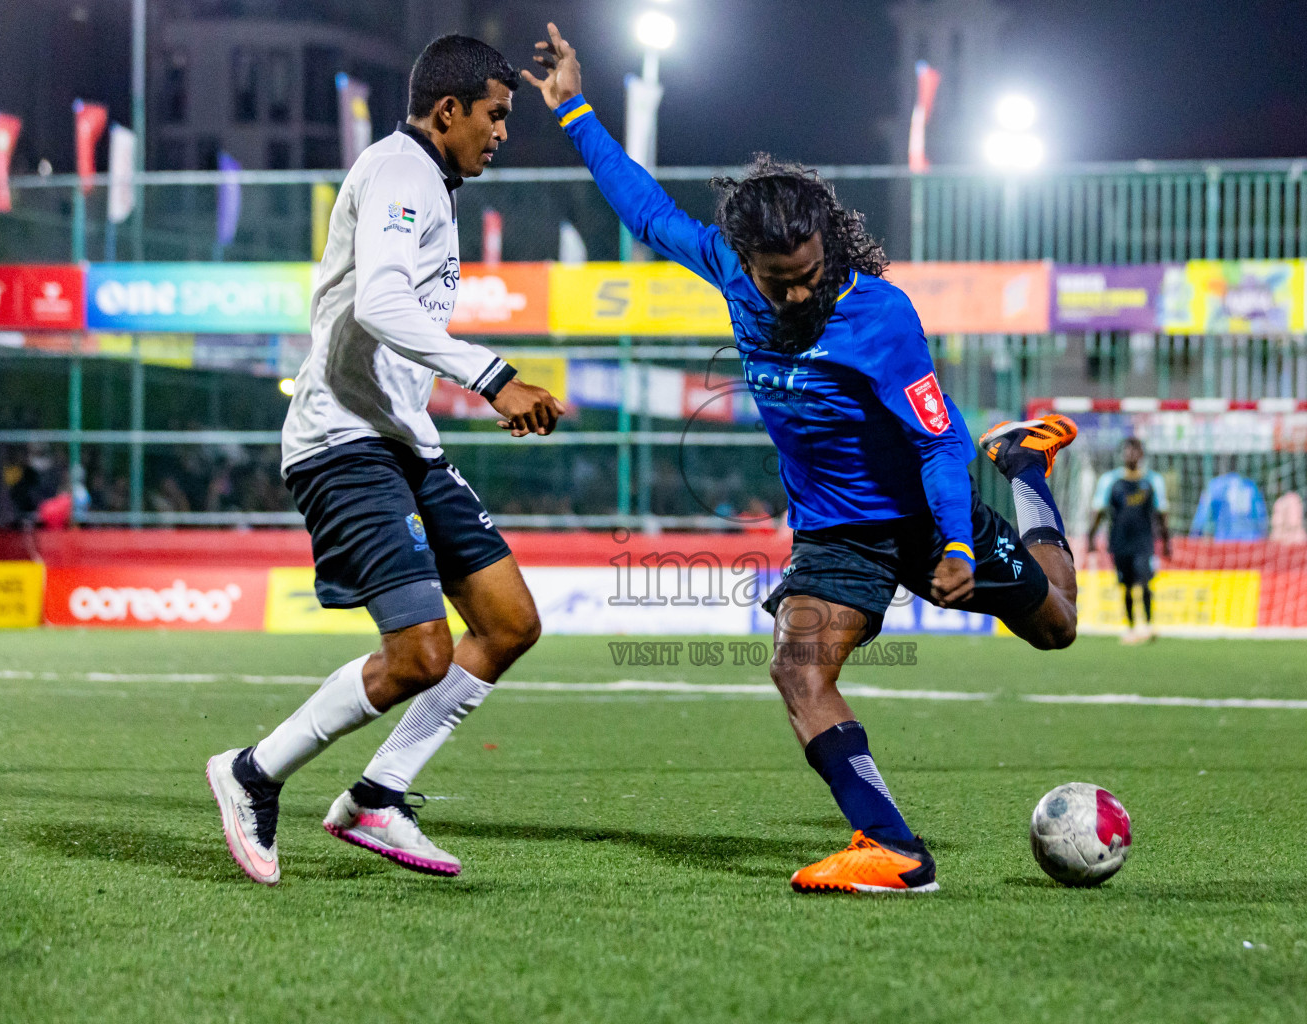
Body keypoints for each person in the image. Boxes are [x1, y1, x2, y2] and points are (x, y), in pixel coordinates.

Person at [521, 24, 1079, 895]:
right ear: (745, 261)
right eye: (779, 278)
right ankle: (892, 847)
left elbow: (938, 439)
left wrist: (960, 543)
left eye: (810, 273)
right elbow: (644, 209)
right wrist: (576, 111)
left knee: (1059, 628)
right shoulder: (730, 270)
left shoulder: (880, 316)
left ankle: (1030, 475)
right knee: (796, 665)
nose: (796, 292)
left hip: (926, 515)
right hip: (834, 534)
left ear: (831, 247)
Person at [207, 35, 567, 885]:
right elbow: (378, 304)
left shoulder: (426, 184)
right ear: (449, 111)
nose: (503, 133)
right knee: (419, 654)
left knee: (509, 622)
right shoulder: (403, 169)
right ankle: (254, 772)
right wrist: (495, 377)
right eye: (496, 115)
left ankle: (378, 795)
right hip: (345, 442)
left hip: (405, 442)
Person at [1087, 438, 1170, 643]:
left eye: (1135, 450)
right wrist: (1090, 536)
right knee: (1126, 585)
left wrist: (1167, 541)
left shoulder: (1153, 480)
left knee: (1145, 581)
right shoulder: (1110, 480)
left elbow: (1161, 513)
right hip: (1119, 541)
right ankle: (1131, 627)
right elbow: (1099, 510)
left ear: (1141, 454)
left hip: (1144, 541)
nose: (1131, 454)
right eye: (1128, 450)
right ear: (1122, 454)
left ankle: (1149, 625)